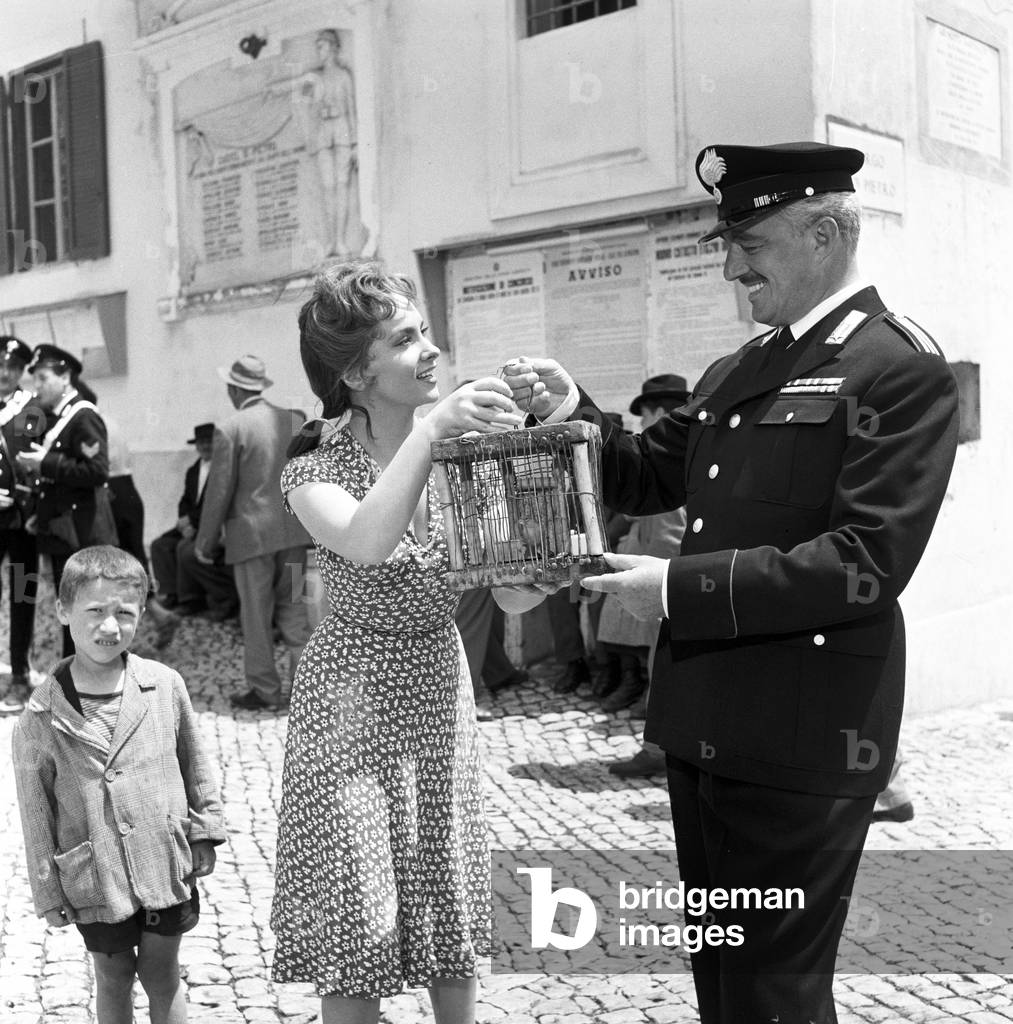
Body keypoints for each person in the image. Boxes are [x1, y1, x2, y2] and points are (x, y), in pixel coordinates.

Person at [504, 142, 960, 1023]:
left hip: (803, 732)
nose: (727, 268)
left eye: (746, 243)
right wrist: (570, 413)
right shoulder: (740, 370)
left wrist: (674, 590)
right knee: (723, 981)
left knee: (775, 992)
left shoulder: (897, 367)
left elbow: (865, 563)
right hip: (704, 723)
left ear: (823, 232)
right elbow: (641, 475)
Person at [269, 259, 526, 1024]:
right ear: (355, 371)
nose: (430, 350)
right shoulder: (312, 468)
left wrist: (540, 573)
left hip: (436, 686)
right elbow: (368, 539)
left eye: (424, 332)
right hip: (351, 702)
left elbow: (507, 589)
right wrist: (438, 427)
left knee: (445, 881)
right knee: (356, 900)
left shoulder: (459, 459)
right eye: (406, 339)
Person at [11, 545, 225, 1024]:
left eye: (124, 613)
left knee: (162, 974)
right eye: (95, 611)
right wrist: (48, 891)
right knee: (113, 978)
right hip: (96, 874)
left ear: (142, 613)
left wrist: (205, 829)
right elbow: (35, 811)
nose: (110, 626)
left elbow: (194, 761)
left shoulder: (165, 684)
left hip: (164, 860)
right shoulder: (41, 715)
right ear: (63, 611)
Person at [194, 356, 311, 710]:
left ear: (233, 389)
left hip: (252, 542)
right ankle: (307, 691)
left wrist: (205, 543)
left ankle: (266, 691)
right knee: (295, 611)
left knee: (257, 616)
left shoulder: (231, 428)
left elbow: (219, 493)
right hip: (295, 538)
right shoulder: (295, 420)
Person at [16, 345, 114, 659]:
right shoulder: (57, 418)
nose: (38, 386)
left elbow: (96, 471)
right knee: (71, 612)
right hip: (61, 531)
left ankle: (86, 687)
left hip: (78, 535)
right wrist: (39, 514)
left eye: (44, 378)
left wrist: (46, 462)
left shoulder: (82, 416)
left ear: (65, 377)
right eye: (35, 380)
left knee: (83, 613)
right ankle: (76, 682)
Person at [596, 378, 688, 716]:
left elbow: (668, 538)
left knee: (660, 642)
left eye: (645, 418)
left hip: (664, 574)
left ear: (661, 414)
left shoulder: (670, 463)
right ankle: (646, 696)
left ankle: (654, 707)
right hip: (656, 566)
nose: (642, 427)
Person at [76, 381, 182, 651]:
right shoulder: (109, 421)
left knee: (110, 568)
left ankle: (119, 630)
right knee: (134, 559)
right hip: (128, 491)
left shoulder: (88, 426)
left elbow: (89, 467)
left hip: (108, 496)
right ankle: (157, 614)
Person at [150, 423, 238, 620]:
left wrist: (192, 522)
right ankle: (172, 593)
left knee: (185, 549)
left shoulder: (224, 468)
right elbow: (186, 500)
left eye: (209, 442)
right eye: (201, 443)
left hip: (210, 526)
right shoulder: (193, 470)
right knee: (160, 545)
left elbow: (217, 504)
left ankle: (192, 600)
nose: (205, 446)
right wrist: (183, 521)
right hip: (190, 524)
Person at [0, 337, 40, 715]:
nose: (3, 373)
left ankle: (20, 673)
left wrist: (26, 499)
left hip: (22, 523)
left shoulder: (31, 408)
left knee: (23, 594)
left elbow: (38, 460)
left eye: (12, 367)